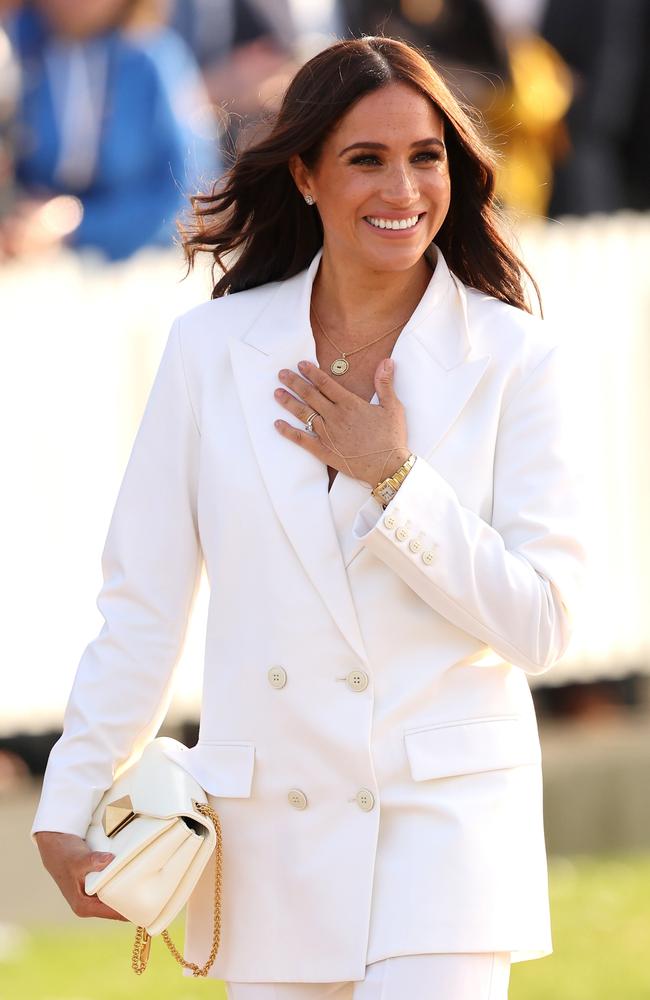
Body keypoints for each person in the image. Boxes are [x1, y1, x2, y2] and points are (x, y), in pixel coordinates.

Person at [31, 35, 588, 1000]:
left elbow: (543, 622)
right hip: (272, 845)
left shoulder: (514, 357)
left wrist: (394, 480)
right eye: (365, 159)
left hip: (445, 840)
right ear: (303, 175)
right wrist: (71, 797)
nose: (403, 188)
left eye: (426, 156)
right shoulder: (210, 351)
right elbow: (144, 603)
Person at [3, 0, 219, 260]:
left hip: (140, 267)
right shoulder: (13, 49)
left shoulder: (153, 58)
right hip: (26, 261)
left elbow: (188, 195)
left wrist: (75, 226)